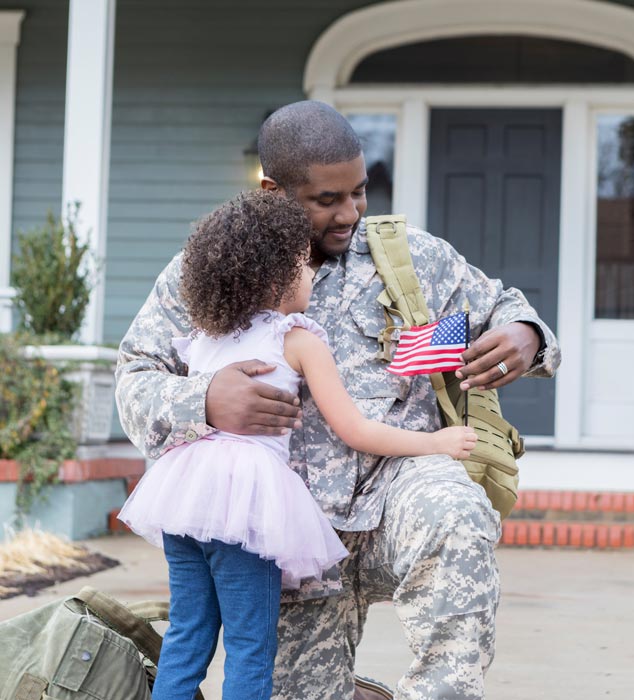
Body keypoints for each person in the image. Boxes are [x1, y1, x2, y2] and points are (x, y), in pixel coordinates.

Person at [116, 101, 561, 700]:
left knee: (454, 511)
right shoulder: (210, 269)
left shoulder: (411, 259)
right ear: (273, 191)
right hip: (278, 540)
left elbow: (506, 306)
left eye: (359, 192)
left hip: (395, 493)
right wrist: (206, 399)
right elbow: (134, 377)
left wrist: (525, 337)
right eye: (327, 199)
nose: (349, 213)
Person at [117, 190, 479, 700]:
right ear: (273, 279)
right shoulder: (298, 339)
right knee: (250, 643)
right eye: (302, 265)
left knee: (187, 635)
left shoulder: (204, 335)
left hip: (183, 498)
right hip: (245, 503)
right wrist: (435, 440)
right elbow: (354, 429)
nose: (312, 274)